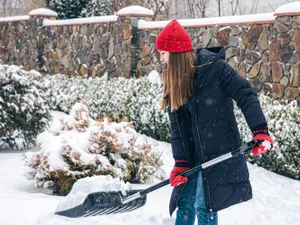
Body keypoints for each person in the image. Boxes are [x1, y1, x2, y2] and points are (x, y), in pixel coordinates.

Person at [156, 19, 273, 225]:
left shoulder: (215, 69)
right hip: (193, 155)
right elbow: (179, 129)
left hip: (217, 151)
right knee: (184, 202)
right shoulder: (174, 81)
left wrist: (260, 130)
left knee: (204, 204)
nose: (161, 58)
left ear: (175, 55)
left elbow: (245, 94)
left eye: (163, 53)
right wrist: (181, 163)